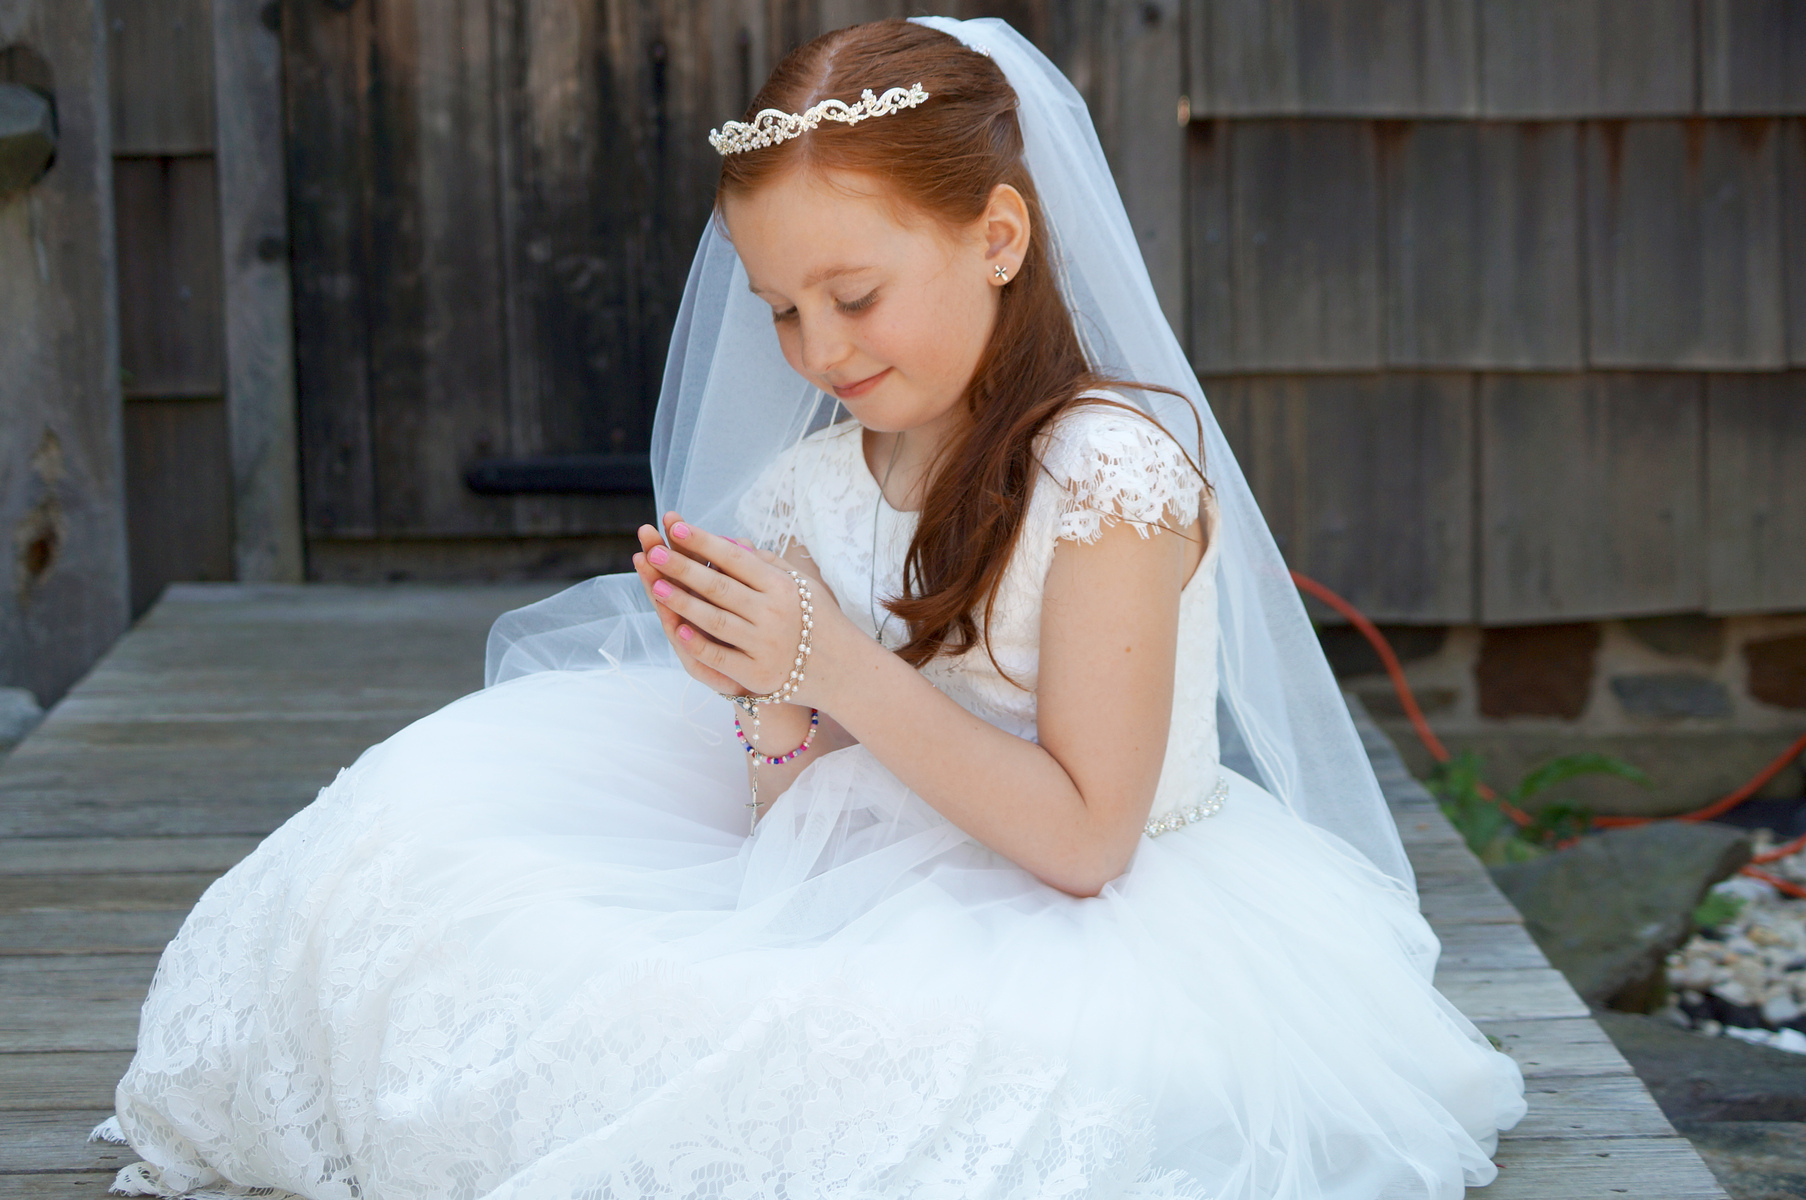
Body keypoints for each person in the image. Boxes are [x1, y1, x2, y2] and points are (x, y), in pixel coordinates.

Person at [97, 17, 1525, 1199]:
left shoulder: (1107, 474)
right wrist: (765, 693)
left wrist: (828, 659)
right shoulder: (808, 490)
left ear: (997, 236)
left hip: (1105, 906)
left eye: (853, 294)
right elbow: (795, 820)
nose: (818, 348)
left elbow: (1088, 842)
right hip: (879, 861)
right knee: (437, 847)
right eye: (782, 309)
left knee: (905, 1076)